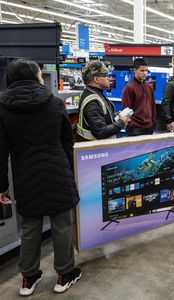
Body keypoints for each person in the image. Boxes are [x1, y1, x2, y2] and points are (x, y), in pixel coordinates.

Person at [0, 59, 81, 296]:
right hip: (57, 171)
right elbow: (68, 141)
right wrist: (70, 171)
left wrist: (2, 185)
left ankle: (29, 278)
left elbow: (0, 151)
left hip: (25, 175)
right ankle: (64, 275)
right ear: (34, 76)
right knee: (62, 225)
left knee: (30, 227)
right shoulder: (54, 102)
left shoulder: (2, 107)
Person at [77, 61, 130, 141]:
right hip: (94, 150)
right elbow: (101, 132)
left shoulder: (93, 93)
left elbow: (99, 118)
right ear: (96, 79)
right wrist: (121, 122)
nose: (108, 78)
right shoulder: (92, 101)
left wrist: (115, 116)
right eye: (105, 75)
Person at [122, 58, 156, 136]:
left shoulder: (149, 86)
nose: (144, 73)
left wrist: (153, 121)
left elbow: (152, 106)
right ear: (135, 70)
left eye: (146, 70)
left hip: (149, 126)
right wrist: (131, 124)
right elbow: (125, 109)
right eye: (142, 70)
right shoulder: (129, 87)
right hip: (135, 128)